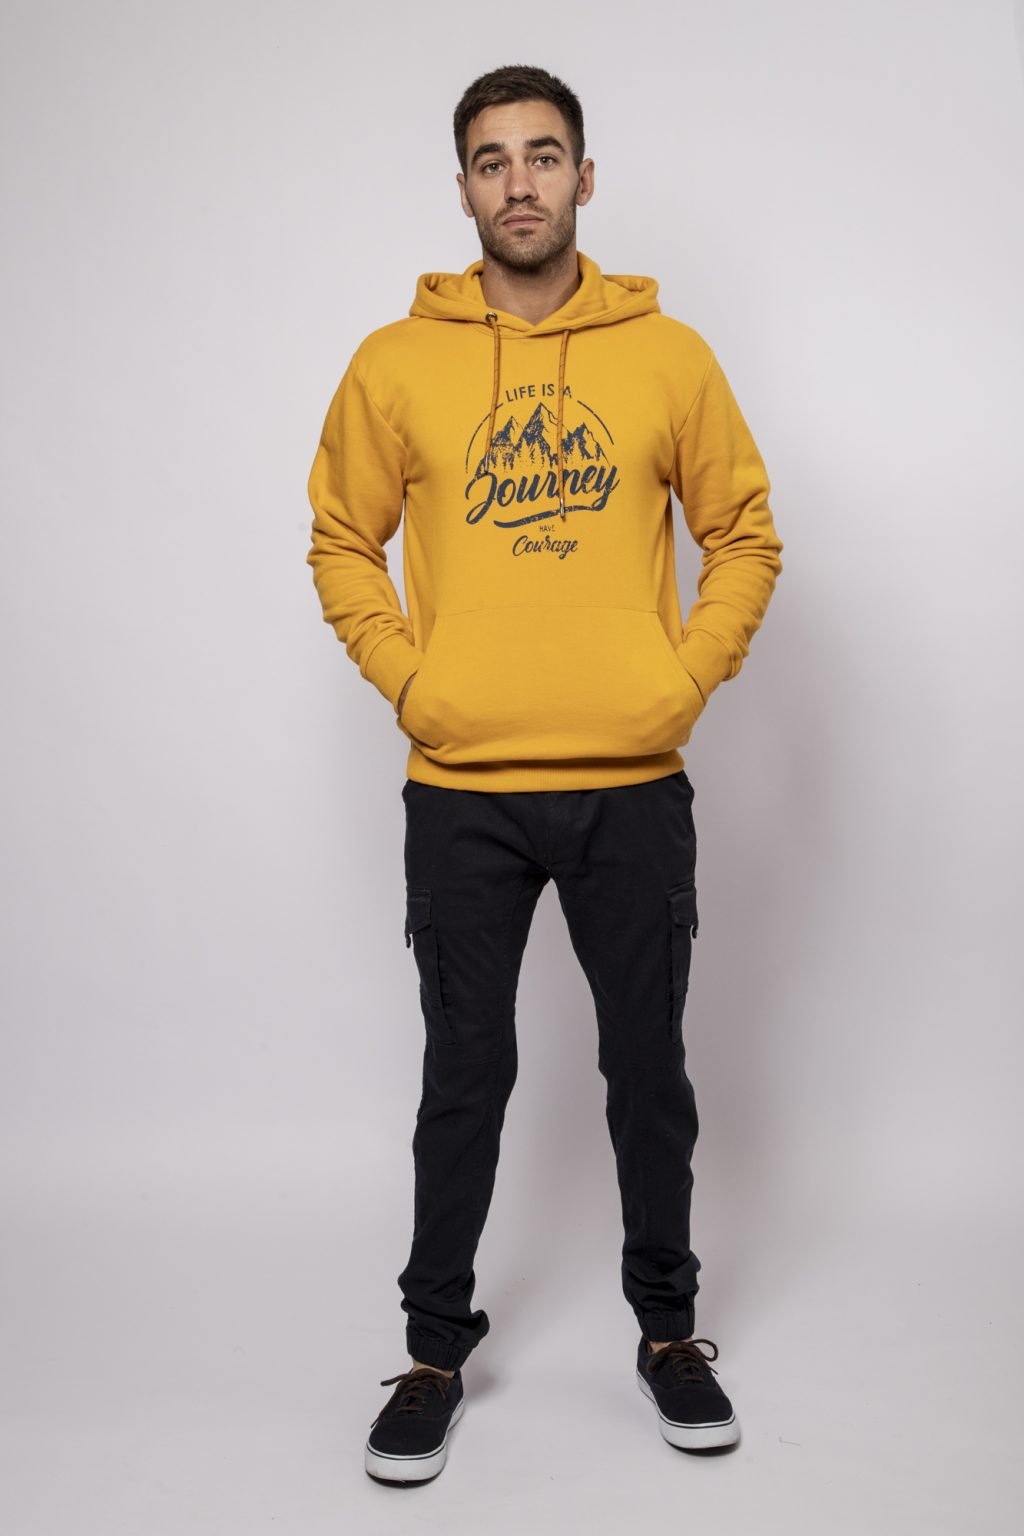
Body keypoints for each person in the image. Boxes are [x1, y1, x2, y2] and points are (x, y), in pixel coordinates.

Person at [306, 63, 783, 1485]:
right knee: (466, 1072)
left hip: (632, 782)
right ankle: (433, 1351)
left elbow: (744, 533)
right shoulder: (396, 363)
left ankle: (669, 1334)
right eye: (492, 159)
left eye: (544, 154)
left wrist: (682, 680)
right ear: (463, 187)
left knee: (648, 1070)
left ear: (585, 176)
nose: (520, 182)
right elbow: (341, 538)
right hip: (461, 789)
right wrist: (414, 682)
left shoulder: (669, 356)